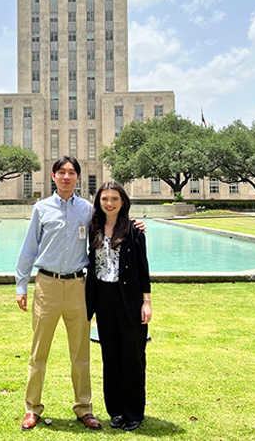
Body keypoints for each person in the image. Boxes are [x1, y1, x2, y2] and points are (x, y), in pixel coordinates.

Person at [15, 156, 102, 431]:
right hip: (47, 286)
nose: (66, 177)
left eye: (72, 173)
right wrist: (21, 285)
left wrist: (136, 228)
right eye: (61, 172)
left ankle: (84, 408)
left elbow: (107, 233)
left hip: (78, 286)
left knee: (80, 352)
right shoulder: (41, 209)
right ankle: (32, 408)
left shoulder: (87, 210)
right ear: (53, 176)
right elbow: (29, 248)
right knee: (39, 351)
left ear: (77, 177)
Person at [85, 181, 151, 432]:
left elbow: (143, 268)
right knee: (110, 356)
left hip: (129, 298)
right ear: (98, 202)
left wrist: (146, 302)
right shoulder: (93, 228)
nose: (109, 203)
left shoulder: (134, 230)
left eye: (114, 198)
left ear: (123, 201)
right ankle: (115, 410)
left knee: (133, 356)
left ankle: (133, 412)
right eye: (104, 199)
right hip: (103, 298)